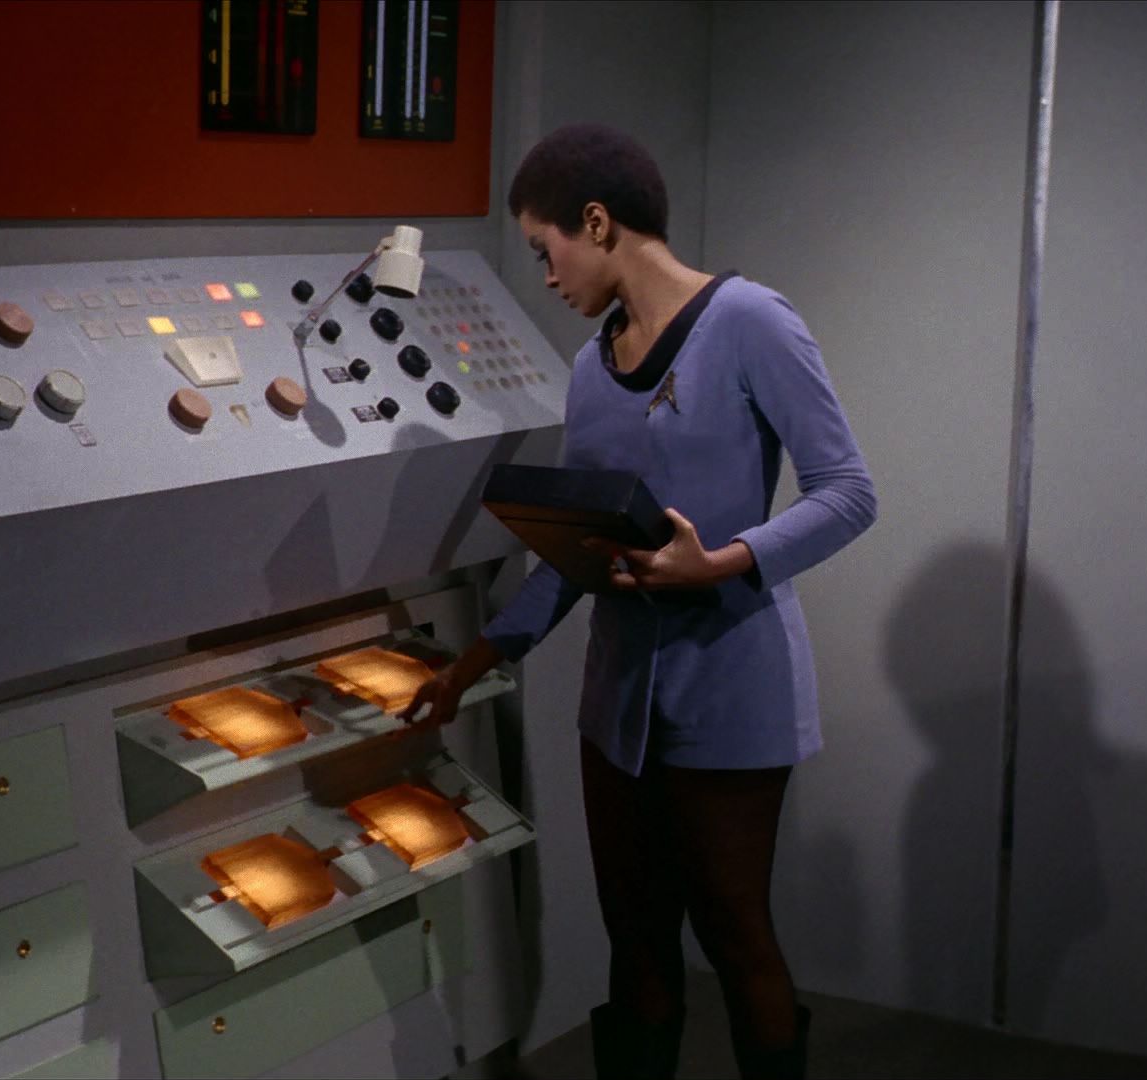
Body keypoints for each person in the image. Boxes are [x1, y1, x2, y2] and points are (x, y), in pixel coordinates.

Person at [399, 123, 877, 1080]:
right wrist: (475, 661)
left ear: (596, 221)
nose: (546, 276)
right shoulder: (591, 369)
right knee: (637, 940)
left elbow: (848, 493)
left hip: (732, 688)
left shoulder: (750, 321)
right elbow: (578, 549)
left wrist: (723, 561)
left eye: (546, 250)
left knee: (734, 933)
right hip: (618, 705)